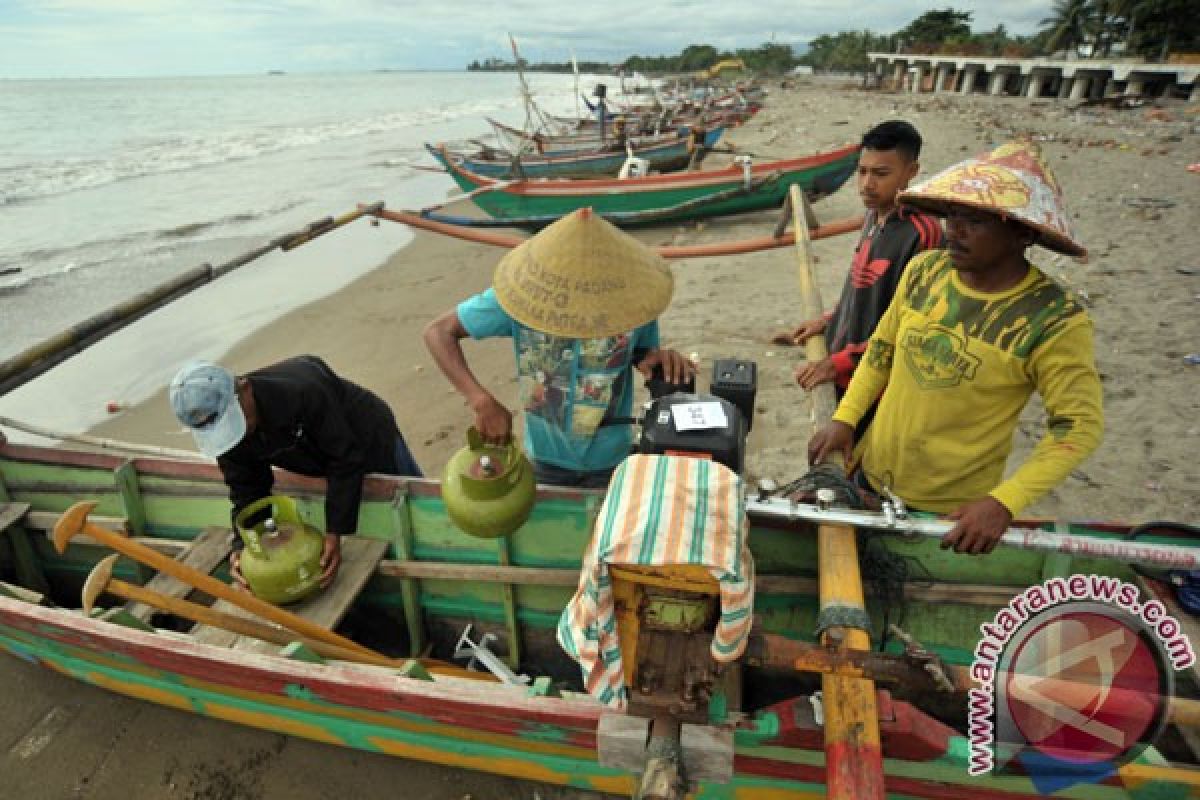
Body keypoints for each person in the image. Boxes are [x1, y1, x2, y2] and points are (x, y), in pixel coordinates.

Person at [808, 140, 1103, 556]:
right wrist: (845, 420)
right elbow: (881, 353)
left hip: (948, 513)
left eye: (976, 222)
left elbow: (1078, 426)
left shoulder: (1053, 319)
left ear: (1021, 232)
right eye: (954, 216)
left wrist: (1005, 501)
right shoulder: (927, 271)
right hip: (869, 474)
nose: (955, 231)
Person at [424, 208, 694, 488]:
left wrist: (655, 359)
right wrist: (480, 400)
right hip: (545, 460)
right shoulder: (522, 300)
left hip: (613, 460)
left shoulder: (633, 303)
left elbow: (641, 353)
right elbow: (438, 332)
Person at [169, 355, 422, 587]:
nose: (239, 433)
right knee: (348, 496)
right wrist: (242, 545)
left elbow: (344, 457)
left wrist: (335, 532)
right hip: (308, 454)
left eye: (235, 421)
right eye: (223, 431)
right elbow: (246, 488)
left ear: (244, 388)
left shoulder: (303, 389)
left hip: (367, 433)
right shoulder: (230, 439)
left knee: (410, 499)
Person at [774, 120, 942, 401]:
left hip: (872, 384)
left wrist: (837, 363)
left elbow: (910, 326)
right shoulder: (873, 215)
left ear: (911, 172)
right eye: (862, 172)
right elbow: (861, 289)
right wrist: (829, 320)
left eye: (881, 173)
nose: (867, 184)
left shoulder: (922, 234)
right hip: (843, 362)